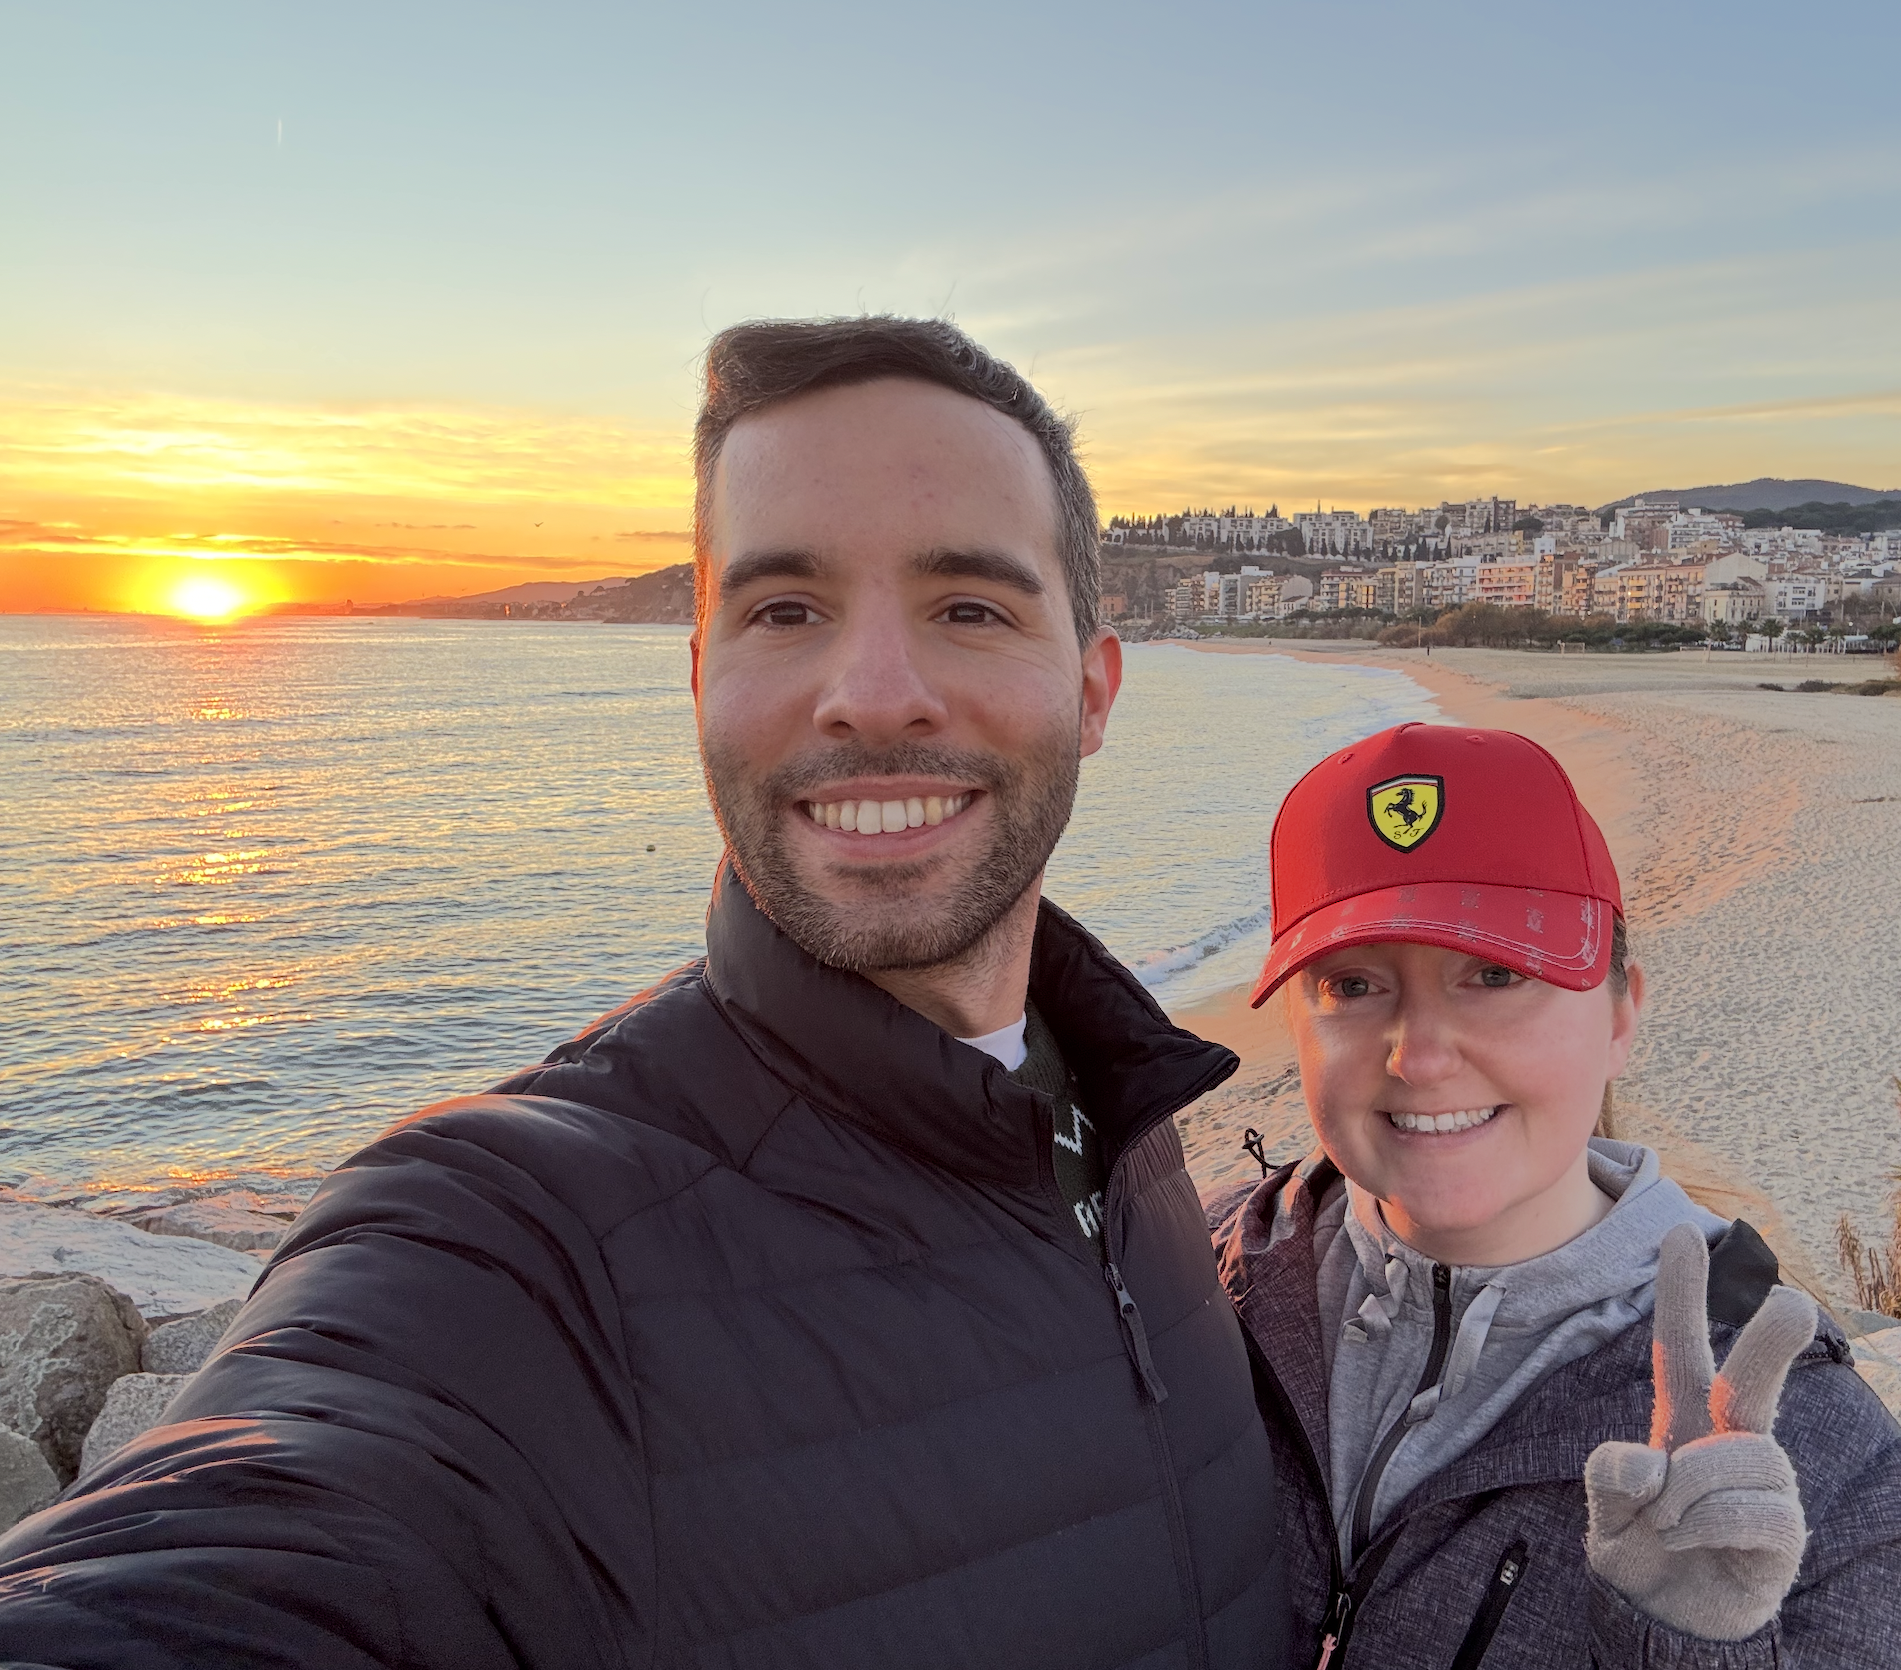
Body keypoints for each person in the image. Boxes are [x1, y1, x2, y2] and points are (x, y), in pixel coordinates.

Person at [0, 318, 1287, 1668]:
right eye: (784, 610)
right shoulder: (521, 1244)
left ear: (1092, 688)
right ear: (698, 679)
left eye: (968, 606)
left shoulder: (1128, 1119)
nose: (870, 695)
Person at [1208, 721, 1901, 1668]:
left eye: (1495, 974)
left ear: (1620, 1013)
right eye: (1353, 985)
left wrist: (1683, 1644)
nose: (1419, 1056)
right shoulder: (1193, 1281)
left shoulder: (1811, 1443)